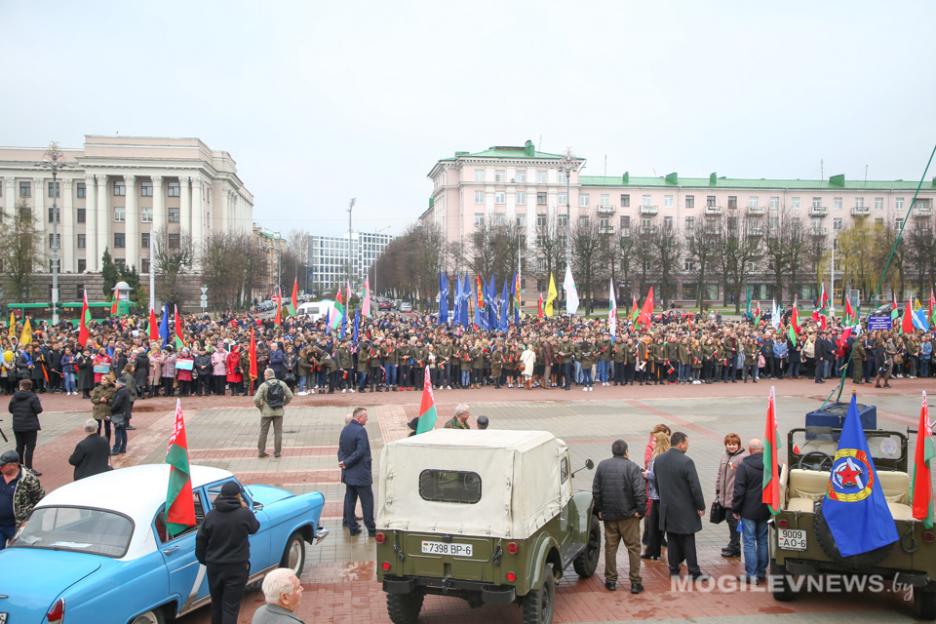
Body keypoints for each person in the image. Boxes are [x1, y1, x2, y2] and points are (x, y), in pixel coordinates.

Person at [195, 481, 261, 624]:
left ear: (221, 495)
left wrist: (204, 560)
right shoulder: (244, 514)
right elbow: (255, 527)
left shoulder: (211, 516)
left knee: (217, 605)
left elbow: (200, 540)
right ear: (238, 495)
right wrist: (244, 508)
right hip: (236, 567)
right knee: (230, 607)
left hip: (214, 567)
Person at [593, 439, 646, 593]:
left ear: (613, 451)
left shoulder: (602, 466)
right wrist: (640, 511)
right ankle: (635, 583)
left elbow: (596, 490)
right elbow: (640, 492)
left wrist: (600, 510)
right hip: (629, 516)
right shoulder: (633, 467)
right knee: (634, 548)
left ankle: (610, 581)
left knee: (610, 548)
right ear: (626, 452)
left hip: (609, 516)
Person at [653, 431, 707, 580]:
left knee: (672, 540)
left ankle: (674, 570)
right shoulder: (686, 461)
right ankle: (694, 572)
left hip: (667, 508)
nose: (687, 446)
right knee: (688, 540)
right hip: (685, 509)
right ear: (681, 443)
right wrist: (701, 506)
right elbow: (695, 487)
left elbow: (656, 484)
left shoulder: (658, 460)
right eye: (687, 443)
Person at [732, 438, 771, 584]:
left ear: (749, 450)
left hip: (748, 510)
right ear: (763, 450)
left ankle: (751, 575)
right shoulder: (771, 466)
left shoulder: (744, 466)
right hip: (766, 509)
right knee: (762, 541)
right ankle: (761, 573)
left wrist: (736, 508)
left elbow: (739, 490)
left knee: (749, 542)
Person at [337, 406, 375, 537]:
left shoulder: (345, 429)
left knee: (350, 500)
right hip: (361, 474)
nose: (367, 420)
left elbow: (341, 448)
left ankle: (352, 527)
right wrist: (346, 462)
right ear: (360, 418)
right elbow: (360, 451)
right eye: (366, 417)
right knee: (367, 502)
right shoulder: (361, 431)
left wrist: (342, 461)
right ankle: (371, 528)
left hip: (348, 474)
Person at [0, 449, 44, 549]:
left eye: (3, 465)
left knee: (16, 552)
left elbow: (40, 502)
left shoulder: (28, 479)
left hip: (17, 526)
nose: (0, 467)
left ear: (13, 465)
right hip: (0, 525)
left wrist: (29, 521)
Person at [714, 433, 747, 558]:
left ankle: (735, 547)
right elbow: (719, 473)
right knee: (730, 521)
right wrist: (717, 488)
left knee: (733, 522)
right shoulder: (725, 456)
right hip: (724, 496)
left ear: (738, 445)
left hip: (734, 498)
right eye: (729, 444)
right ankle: (733, 544)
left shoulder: (742, 458)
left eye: (734, 444)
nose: (731, 446)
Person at [253, 368, 294, 458]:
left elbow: (256, 399)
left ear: (267, 375)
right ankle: (277, 453)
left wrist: (260, 406)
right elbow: (290, 396)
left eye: (264, 375)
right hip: (279, 411)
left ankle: (261, 452)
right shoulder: (282, 383)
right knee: (278, 432)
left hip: (266, 412)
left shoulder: (263, 385)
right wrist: (283, 403)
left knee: (263, 432)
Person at [641, 429, 669, 560]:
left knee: (655, 525)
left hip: (657, 496)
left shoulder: (658, 456)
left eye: (655, 440)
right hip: (660, 496)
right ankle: (654, 550)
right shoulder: (664, 454)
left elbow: (657, 474)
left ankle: (652, 551)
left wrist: (645, 474)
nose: (652, 441)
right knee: (658, 525)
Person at [9, 379, 43, 475]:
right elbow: (38, 410)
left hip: (17, 425)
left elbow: (11, 410)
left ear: (21, 386)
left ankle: (19, 467)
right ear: (30, 387)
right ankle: (29, 469)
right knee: (29, 448)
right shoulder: (33, 397)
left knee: (19, 447)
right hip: (30, 426)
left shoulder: (14, 397)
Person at [110, 377, 132, 455]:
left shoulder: (121, 392)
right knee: (123, 431)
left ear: (120, 384)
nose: (115, 384)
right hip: (124, 414)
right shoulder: (125, 391)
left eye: (116, 383)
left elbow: (117, 404)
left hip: (119, 415)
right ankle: (123, 448)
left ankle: (116, 449)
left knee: (118, 432)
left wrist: (111, 409)